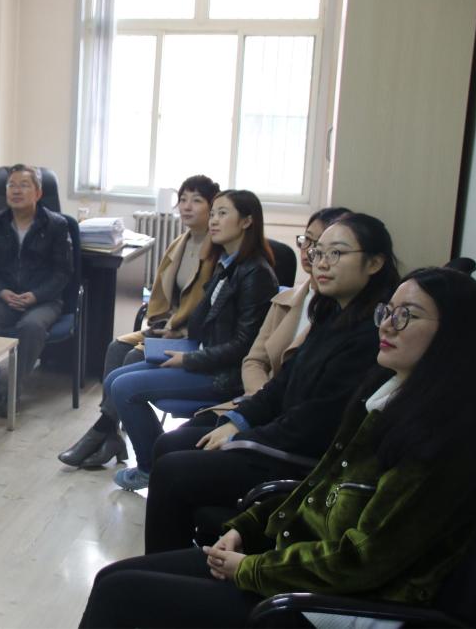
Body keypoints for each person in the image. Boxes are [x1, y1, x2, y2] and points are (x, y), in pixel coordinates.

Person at [79, 267, 476, 629]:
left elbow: (364, 562)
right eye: (388, 312)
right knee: (111, 578)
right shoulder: (386, 394)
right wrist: (246, 529)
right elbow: (318, 483)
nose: (387, 326)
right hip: (295, 566)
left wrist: (252, 569)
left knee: (121, 593)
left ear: (454, 333)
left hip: (330, 607)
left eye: (408, 316)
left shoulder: (442, 435)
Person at [143, 213, 399, 552]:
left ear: (375, 263)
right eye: (318, 252)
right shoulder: (332, 313)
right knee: (169, 444)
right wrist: (237, 421)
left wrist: (242, 439)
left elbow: (315, 426)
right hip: (280, 434)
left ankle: (170, 568)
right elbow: (281, 384)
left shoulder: (371, 336)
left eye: (336, 253)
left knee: (173, 470)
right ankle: (179, 558)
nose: (321, 262)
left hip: (301, 459)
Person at [109, 190, 279, 491]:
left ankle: (150, 467)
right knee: (115, 378)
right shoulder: (227, 263)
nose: (213, 221)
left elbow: (244, 346)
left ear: (247, 221)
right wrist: (178, 332)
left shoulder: (256, 273)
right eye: (213, 213)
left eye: (223, 214)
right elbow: (204, 319)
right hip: (205, 355)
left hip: (225, 374)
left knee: (123, 387)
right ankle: (156, 459)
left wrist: (189, 359)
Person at [59, 175, 220, 468]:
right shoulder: (179, 244)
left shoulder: (217, 251)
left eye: (196, 200)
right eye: (183, 200)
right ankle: (110, 430)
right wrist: (160, 324)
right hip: (168, 328)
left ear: (212, 207)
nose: (186, 207)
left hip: (191, 335)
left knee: (134, 355)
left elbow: (208, 308)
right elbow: (162, 296)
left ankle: (105, 431)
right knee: (116, 348)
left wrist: (175, 329)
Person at [192, 206, 351, 420]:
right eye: (307, 240)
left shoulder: (339, 311)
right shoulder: (284, 300)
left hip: (287, 416)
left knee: (181, 437)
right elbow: (254, 360)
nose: (309, 251)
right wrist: (261, 400)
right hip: (259, 401)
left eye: (323, 246)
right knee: (181, 434)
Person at [0, 164, 73, 418]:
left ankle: (11, 392)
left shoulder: (56, 225)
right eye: (11, 185)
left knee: (31, 326)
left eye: (24, 185)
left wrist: (36, 296)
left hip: (43, 300)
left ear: (38, 193)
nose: (16, 191)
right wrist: (1, 291)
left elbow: (63, 272)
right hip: (5, 297)